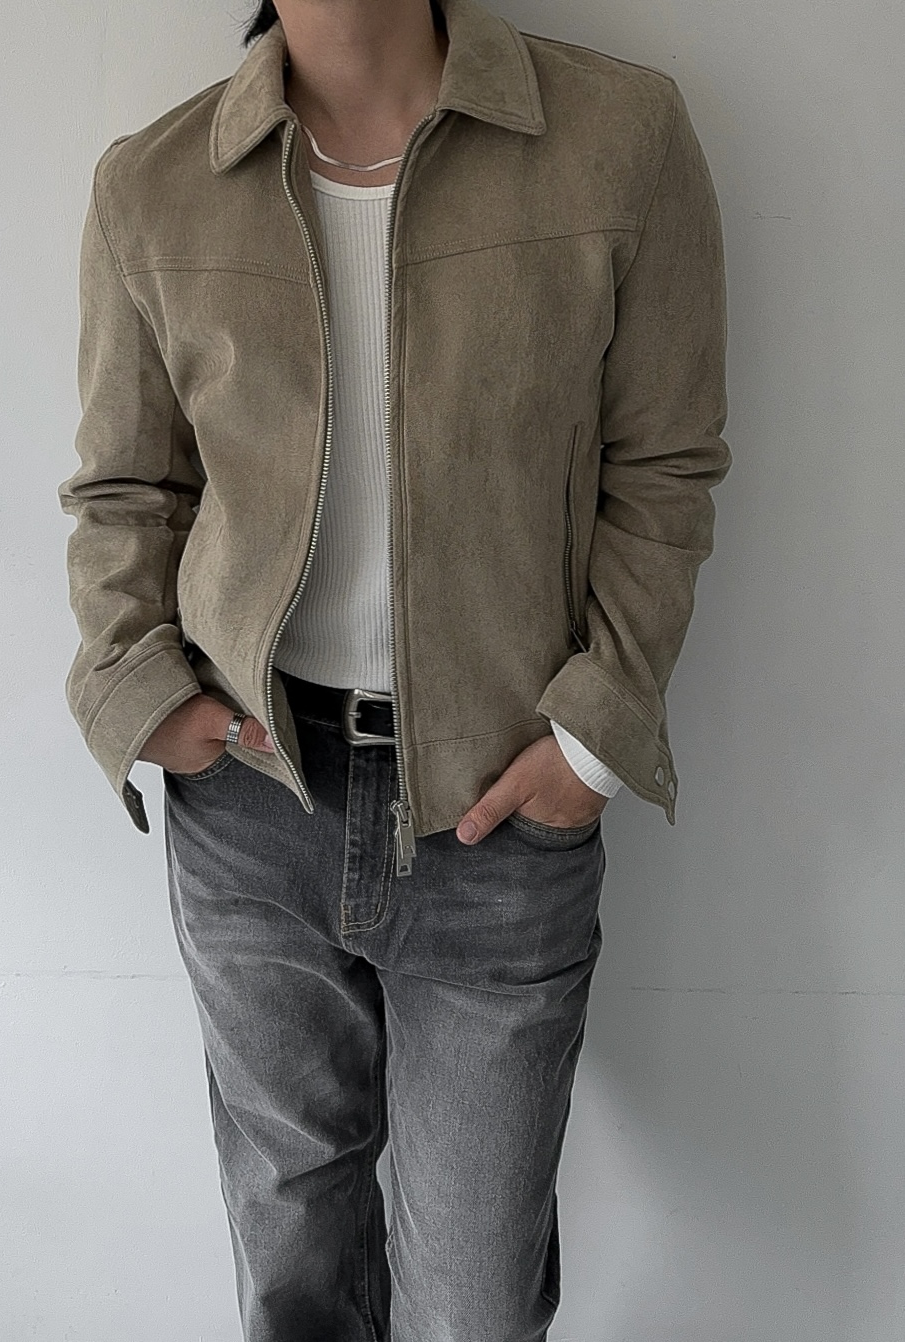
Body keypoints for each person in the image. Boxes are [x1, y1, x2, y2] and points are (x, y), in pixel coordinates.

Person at [58, 0, 731, 1336]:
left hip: (498, 809)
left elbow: (662, 467)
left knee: (474, 1299)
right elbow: (126, 488)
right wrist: (144, 694)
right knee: (293, 1266)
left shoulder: (616, 139)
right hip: (254, 807)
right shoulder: (155, 185)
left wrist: (591, 739)